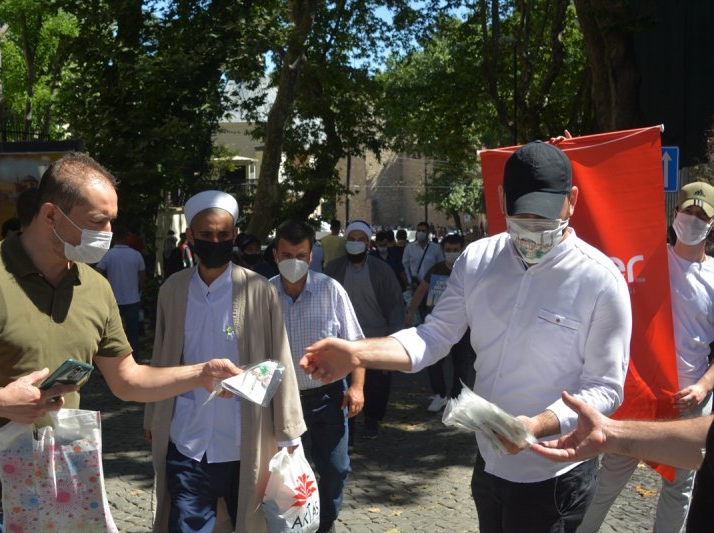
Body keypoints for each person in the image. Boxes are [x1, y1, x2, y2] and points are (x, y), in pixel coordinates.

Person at [303, 140, 632, 532]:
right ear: (500, 199)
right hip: (490, 465)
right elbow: (433, 337)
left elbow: (605, 388)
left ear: (571, 201)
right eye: (521, 215)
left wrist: (537, 425)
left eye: (544, 218)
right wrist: (358, 353)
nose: (531, 229)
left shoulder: (601, 281)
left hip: (556, 474)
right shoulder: (478, 261)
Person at [0, 153, 241, 531]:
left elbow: (127, 379)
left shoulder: (96, 289)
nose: (107, 233)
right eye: (96, 222)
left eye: (111, 221)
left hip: (57, 495)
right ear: (51, 215)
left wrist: (202, 374)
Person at [143, 190, 306, 533]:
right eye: (206, 235)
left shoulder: (259, 290)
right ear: (191, 236)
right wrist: (153, 414)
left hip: (245, 437)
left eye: (222, 234)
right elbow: (160, 358)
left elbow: (280, 360)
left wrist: (288, 432)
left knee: (249, 523)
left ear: (234, 236)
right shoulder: (172, 290)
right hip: (188, 438)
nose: (215, 241)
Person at [578, 181, 714, 532]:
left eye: (703, 215)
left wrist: (702, 387)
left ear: (712, 223)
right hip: (641, 392)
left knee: (678, 489)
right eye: (689, 212)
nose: (694, 220)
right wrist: (573, 157)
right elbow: (598, 223)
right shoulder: (645, 260)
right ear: (674, 215)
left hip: (689, 402)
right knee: (609, 478)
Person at [269, 220, 365, 533]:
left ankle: (326, 522)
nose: (293, 262)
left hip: (327, 397)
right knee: (287, 472)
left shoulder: (330, 290)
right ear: (275, 255)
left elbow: (356, 345)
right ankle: (295, 525)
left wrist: (358, 387)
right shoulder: (264, 294)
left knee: (336, 467)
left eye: (300, 255)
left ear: (312, 256)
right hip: (281, 400)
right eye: (286, 255)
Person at [530, 392, 714, 532]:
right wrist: (609, 435)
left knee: (678, 488)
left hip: (692, 400)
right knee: (607, 483)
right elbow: (707, 440)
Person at [324, 220, 405, 440]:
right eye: (351, 239)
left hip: (376, 337)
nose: (355, 244)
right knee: (344, 384)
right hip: (343, 340)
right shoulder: (333, 268)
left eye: (360, 240)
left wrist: (396, 341)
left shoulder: (382, 270)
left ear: (368, 243)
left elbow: (395, 305)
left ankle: (372, 419)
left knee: (377, 384)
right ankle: (347, 426)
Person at [405, 233, 475, 413]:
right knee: (433, 361)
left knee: (461, 363)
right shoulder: (436, 269)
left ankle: (457, 398)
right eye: (448, 250)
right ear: (443, 251)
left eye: (456, 250)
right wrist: (411, 312)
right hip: (437, 325)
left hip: (464, 326)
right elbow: (421, 291)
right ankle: (440, 395)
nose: (452, 253)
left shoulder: (470, 270)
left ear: (462, 249)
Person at [97, 223, 147, 359]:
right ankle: (134, 359)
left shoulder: (108, 255)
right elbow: (143, 278)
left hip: (113, 300)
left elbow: (97, 273)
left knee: (112, 335)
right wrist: (138, 290)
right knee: (133, 333)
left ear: (113, 238)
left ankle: (113, 362)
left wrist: (105, 287)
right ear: (127, 238)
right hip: (133, 299)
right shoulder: (136, 255)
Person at [401, 221, 444, 292]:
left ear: (428, 232)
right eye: (419, 230)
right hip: (415, 285)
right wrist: (410, 281)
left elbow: (441, 265)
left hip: (431, 285)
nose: (421, 233)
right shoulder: (409, 248)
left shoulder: (436, 248)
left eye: (423, 231)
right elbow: (405, 266)